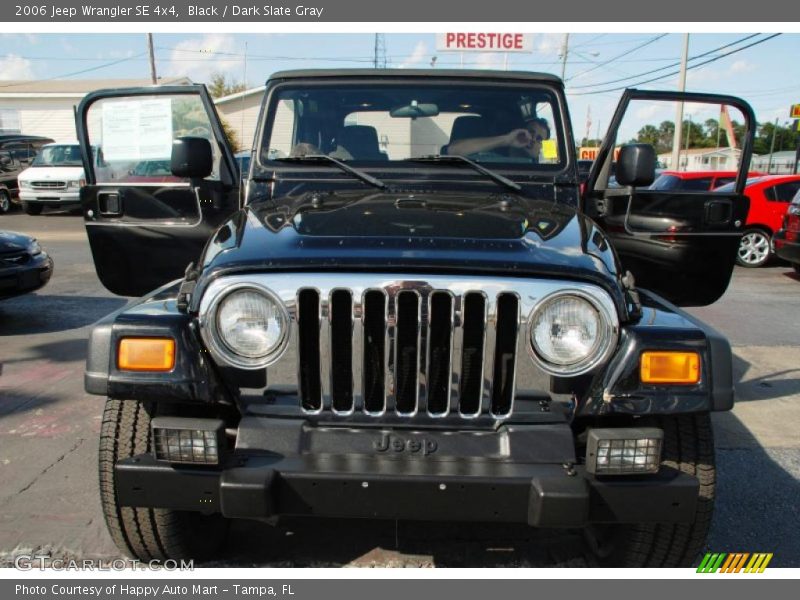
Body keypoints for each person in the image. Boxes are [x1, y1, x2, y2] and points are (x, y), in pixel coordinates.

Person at [445, 117, 551, 162]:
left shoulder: (544, 175)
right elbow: (453, 151)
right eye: (530, 132)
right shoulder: (490, 158)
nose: (532, 139)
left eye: (539, 139)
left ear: (541, 149)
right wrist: (507, 140)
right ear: (519, 132)